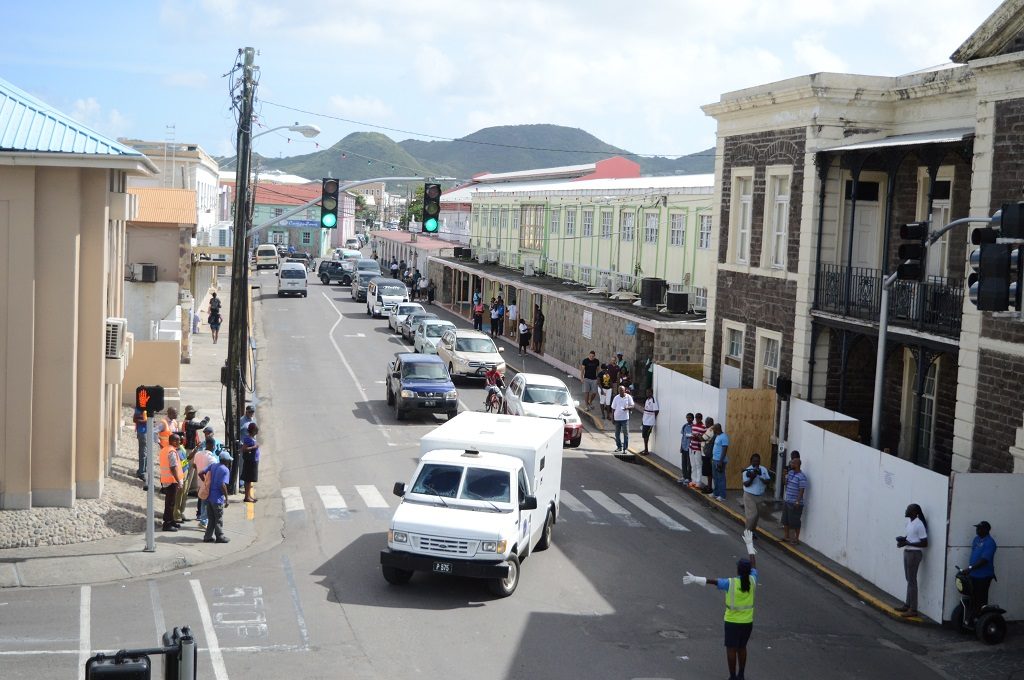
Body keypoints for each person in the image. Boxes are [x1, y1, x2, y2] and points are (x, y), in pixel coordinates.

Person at [683, 530, 759, 680]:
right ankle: (741, 675)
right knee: (742, 648)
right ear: (749, 571)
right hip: (747, 622)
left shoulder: (730, 583)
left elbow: (712, 581)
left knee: (731, 649)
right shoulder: (753, 580)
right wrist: (750, 546)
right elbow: (754, 566)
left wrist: (695, 579)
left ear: (738, 570)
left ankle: (732, 677)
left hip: (732, 622)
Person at [896, 503, 929, 618]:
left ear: (914, 512)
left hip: (914, 554)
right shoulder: (910, 522)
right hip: (907, 552)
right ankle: (907, 605)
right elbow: (910, 537)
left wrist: (908, 543)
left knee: (912, 581)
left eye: (908, 509)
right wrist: (903, 540)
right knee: (909, 579)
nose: (906, 510)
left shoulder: (919, 524)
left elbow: (925, 543)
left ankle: (913, 609)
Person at [964, 521, 997, 617]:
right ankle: (972, 620)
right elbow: (975, 554)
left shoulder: (990, 542)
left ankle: (982, 620)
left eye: (980, 528)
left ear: (986, 530)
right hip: (973, 575)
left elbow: (984, 560)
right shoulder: (976, 540)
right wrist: (970, 570)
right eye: (977, 528)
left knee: (981, 600)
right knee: (973, 598)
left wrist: (970, 568)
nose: (977, 530)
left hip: (983, 576)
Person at [202, 450, 232, 544]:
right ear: (226, 461)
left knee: (211, 519)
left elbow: (201, 472)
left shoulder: (213, 465)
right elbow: (222, 485)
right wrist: (227, 498)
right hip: (217, 499)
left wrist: (205, 483)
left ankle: (207, 537)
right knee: (218, 519)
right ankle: (220, 537)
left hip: (209, 497)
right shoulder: (225, 470)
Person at [159, 433, 184, 532]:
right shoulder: (172, 452)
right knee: (170, 503)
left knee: (171, 502)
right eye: (177, 440)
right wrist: (179, 481)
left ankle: (171, 520)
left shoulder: (165, 449)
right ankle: (167, 524)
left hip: (166, 479)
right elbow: (173, 467)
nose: (179, 442)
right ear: (173, 441)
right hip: (171, 481)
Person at [781, 457, 808, 545]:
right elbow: (785, 483)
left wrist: (797, 501)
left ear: (797, 465)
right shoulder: (790, 473)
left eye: (792, 463)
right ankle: (786, 536)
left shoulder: (802, 476)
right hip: (787, 500)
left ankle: (796, 539)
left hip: (795, 503)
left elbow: (801, 490)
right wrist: (784, 475)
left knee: (795, 522)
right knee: (785, 520)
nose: (790, 464)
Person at [741, 453, 771, 531]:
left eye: (758, 461)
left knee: (757, 516)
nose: (756, 463)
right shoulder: (747, 470)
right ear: (751, 461)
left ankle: (752, 531)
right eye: (754, 461)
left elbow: (768, 480)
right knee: (752, 515)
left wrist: (762, 478)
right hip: (749, 495)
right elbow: (746, 484)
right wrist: (752, 477)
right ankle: (747, 533)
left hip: (760, 495)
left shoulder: (763, 469)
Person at [240, 422, 261, 503]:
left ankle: (249, 496)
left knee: (250, 480)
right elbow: (244, 449)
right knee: (248, 480)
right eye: (256, 430)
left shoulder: (252, 438)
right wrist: (254, 447)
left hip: (253, 461)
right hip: (250, 461)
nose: (257, 432)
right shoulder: (248, 438)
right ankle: (247, 497)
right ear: (252, 431)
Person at [611, 384, 635, 453]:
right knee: (617, 434)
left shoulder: (628, 397)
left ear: (624, 390)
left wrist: (627, 408)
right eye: (619, 391)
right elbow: (613, 408)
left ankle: (625, 448)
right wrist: (612, 418)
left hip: (625, 418)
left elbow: (633, 405)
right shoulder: (616, 398)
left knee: (626, 433)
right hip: (617, 418)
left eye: (622, 390)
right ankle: (619, 447)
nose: (620, 392)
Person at [711, 423, 730, 501]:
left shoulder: (724, 437)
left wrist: (721, 461)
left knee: (721, 478)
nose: (713, 430)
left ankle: (722, 495)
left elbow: (724, 450)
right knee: (715, 477)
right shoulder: (717, 436)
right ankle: (716, 493)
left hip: (720, 460)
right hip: (715, 459)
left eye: (714, 429)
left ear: (718, 429)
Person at [689, 413, 707, 489]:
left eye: (699, 418)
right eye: (696, 418)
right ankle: (693, 480)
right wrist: (691, 436)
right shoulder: (693, 426)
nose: (697, 419)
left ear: (701, 418)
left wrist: (698, 437)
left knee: (698, 465)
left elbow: (704, 439)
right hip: (692, 447)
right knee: (693, 465)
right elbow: (692, 435)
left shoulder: (704, 428)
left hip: (698, 449)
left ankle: (698, 482)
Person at [701, 417, 717, 494]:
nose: (705, 424)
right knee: (708, 472)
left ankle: (709, 487)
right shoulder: (712, 429)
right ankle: (709, 486)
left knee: (708, 472)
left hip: (707, 454)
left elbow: (703, 438)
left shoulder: (710, 429)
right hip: (708, 453)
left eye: (706, 422)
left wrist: (697, 436)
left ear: (709, 422)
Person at [641, 389, 659, 455]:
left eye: (648, 392)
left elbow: (656, 411)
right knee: (644, 435)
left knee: (646, 436)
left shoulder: (653, 401)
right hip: (645, 420)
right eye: (646, 392)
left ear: (651, 393)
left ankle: (646, 450)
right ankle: (645, 449)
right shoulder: (647, 400)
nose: (647, 394)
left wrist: (652, 419)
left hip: (649, 422)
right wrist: (642, 420)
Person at [133, 405, 148, 481]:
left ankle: (144, 470)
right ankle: (141, 473)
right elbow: (135, 419)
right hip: (142, 432)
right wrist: (146, 421)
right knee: (143, 453)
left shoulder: (150, 406)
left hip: (148, 432)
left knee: (146, 453)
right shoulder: (139, 407)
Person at [678, 413, 694, 484]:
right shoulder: (684, 426)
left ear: (693, 419)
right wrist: (681, 447)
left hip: (689, 448)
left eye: (690, 418)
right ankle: (684, 476)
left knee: (689, 464)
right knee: (683, 463)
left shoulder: (694, 427)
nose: (688, 419)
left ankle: (688, 478)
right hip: (684, 447)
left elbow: (694, 436)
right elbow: (683, 437)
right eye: (687, 418)